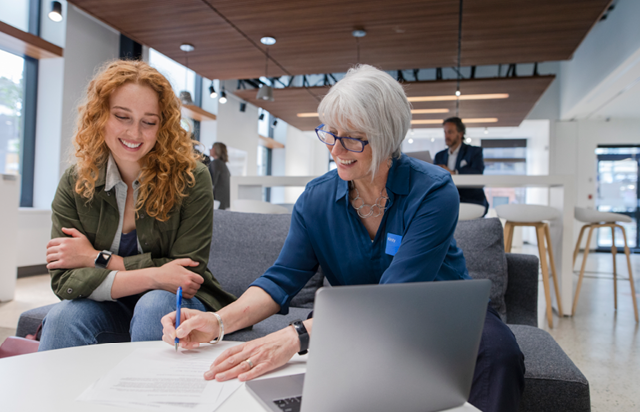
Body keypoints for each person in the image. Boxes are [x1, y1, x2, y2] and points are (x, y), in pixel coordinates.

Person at [161, 65, 524, 412]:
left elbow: (397, 295)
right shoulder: (317, 199)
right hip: (354, 322)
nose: (335, 150)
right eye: (330, 133)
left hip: (441, 315)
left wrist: (297, 336)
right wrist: (219, 322)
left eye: (352, 139)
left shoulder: (433, 191)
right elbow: (280, 279)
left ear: (386, 138)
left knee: (500, 353)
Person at [39, 60, 236, 351]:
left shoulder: (192, 177)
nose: (135, 133)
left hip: (175, 301)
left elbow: (186, 275)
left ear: (163, 125)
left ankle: (148, 398)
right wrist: (155, 274)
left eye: (149, 122)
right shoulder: (75, 181)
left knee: (154, 305)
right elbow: (65, 280)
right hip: (109, 306)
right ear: (100, 116)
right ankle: (58, 398)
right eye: (122, 116)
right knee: (62, 318)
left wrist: (96, 258)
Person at [434, 117, 489, 215]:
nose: (446, 136)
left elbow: (478, 172)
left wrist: (454, 173)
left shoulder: (474, 152)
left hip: (470, 199)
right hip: (446, 200)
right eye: (445, 132)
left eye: (450, 132)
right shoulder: (439, 156)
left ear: (460, 134)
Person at [208, 142, 231, 210]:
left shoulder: (216, 163)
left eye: (211, 147)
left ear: (215, 149)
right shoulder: (223, 164)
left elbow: (211, 182)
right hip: (224, 201)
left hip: (217, 201)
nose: (210, 150)